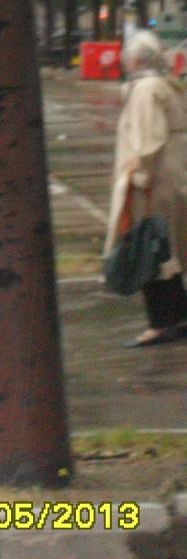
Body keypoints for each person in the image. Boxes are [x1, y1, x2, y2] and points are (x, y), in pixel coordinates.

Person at [103, 30, 187, 347]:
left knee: (149, 251)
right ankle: (178, 317)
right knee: (168, 252)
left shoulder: (145, 90)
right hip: (171, 180)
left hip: (151, 186)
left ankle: (161, 323)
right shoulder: (167, 86)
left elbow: (148, 143)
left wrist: (138, 180)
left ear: (136, 60)